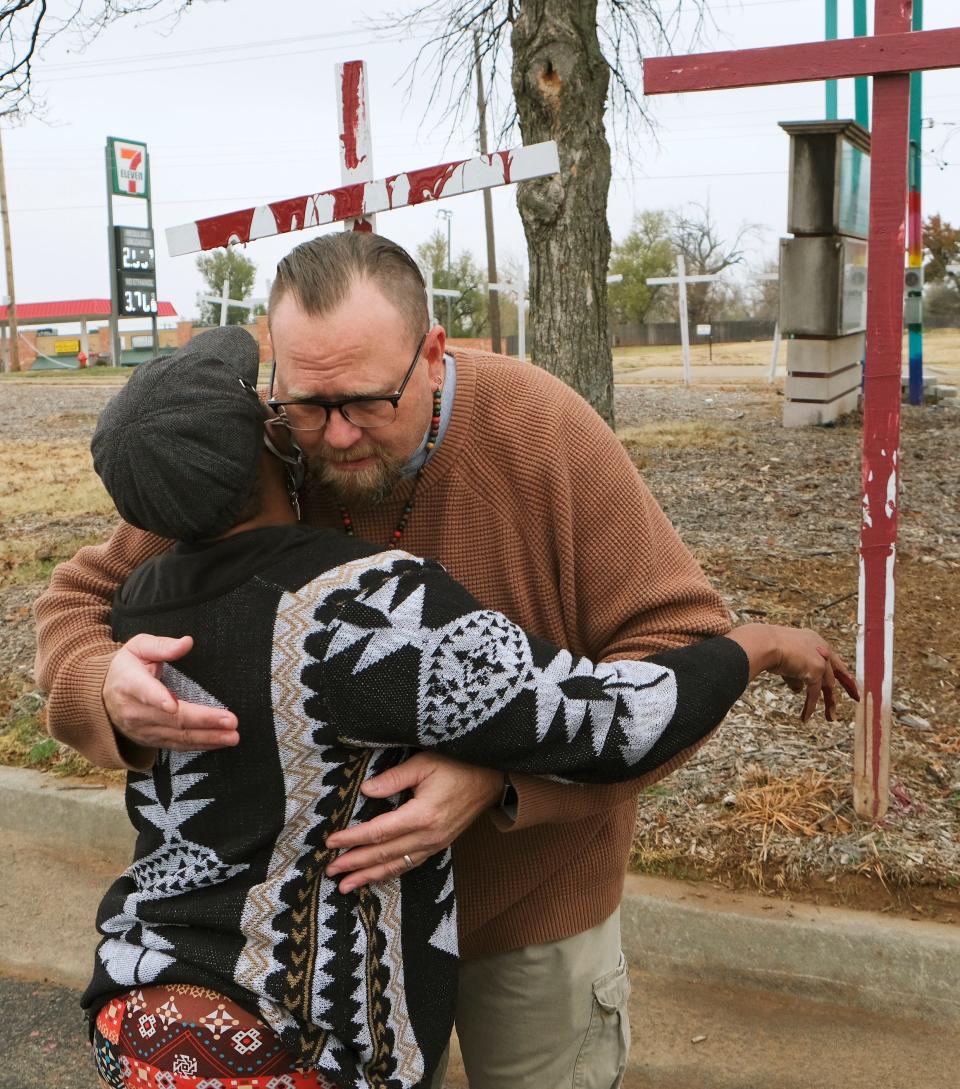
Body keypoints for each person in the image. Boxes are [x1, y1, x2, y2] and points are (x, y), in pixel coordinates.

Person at [35, 232, 852, 1089]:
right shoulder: (265, 442)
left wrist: (501, 780)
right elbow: (76, 600)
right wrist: (105, 683)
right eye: (309, 404)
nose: (337, 436)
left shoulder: (543, 428)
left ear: (433, 351)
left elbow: (672, 650)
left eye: (367, 401)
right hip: (338, 968)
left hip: (528, 913)